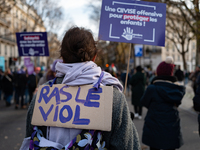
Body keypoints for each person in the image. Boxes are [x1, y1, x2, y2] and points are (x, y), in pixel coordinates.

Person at [20, 27, 140, 150]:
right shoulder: (113, 97)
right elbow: (128, 146)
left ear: (62, 57)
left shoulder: (43, 93)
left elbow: (30, 139)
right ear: (94, 57)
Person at [140, 56, 185, 150]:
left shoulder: (152, 88)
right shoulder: (176, 89)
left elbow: (144, 102)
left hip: (154, 125)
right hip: (171, 124)